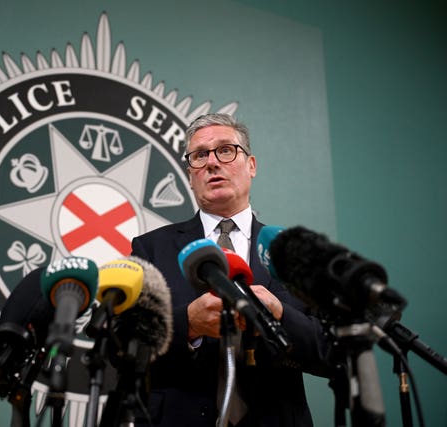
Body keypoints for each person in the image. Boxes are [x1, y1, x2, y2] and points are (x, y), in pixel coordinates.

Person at [130, 113, 332, 427]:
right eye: (199, 156)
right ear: (190, 175)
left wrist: (279, 314)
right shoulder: (151, 249)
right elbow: (124, 346)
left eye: (226, 150)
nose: (212, 163)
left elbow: (331, 352)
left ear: (251, 165)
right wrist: (189, 325)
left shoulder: (292, 253)